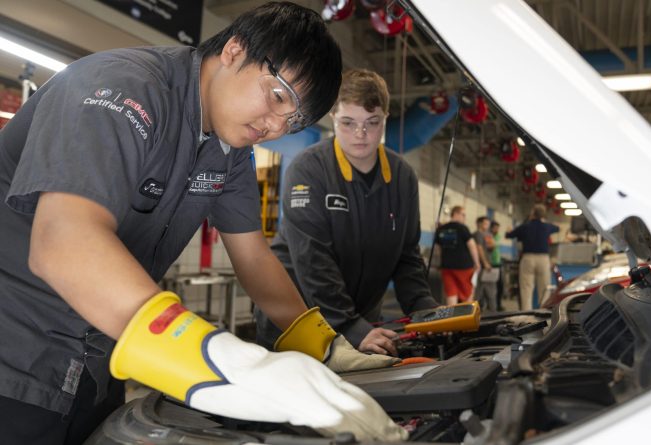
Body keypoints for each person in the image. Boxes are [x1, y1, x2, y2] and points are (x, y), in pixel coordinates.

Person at [0, 3, 406, 443]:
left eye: (293, 122)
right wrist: (223, 360)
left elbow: (252, 255)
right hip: (15, 352)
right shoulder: (120, 89)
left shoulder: (228, 149)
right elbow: (63, 243)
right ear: (234, 50)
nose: (274, 126)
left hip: (101, 356)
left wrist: (320, 343)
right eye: (277, 97)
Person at [254, 68, 440, 357]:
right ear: (333, 118)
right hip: (296, 318)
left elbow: (406, 256)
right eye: (348, 122)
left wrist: (426, 310)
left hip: (361, 320)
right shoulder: (309, 169)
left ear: (385, 119)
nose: (360, 134)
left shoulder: (403, 177)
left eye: (372, 122)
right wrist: (350, 326)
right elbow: (312, 258)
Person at [505, 204, 560, 310]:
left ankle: (526, 314)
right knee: (544, 289)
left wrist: (508, 230)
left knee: (526, 288)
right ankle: (543, 313)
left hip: (528, 258)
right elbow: (558, 228)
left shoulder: (525, 226)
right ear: (543, 215)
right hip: (543, 259)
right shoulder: (547, 226)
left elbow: (509, 235)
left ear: (532, 213)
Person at [434, 206, 480, 305]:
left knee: (451, 295)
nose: (464, 218)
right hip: (464, 268)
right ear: (456, 214)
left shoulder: (440, 229)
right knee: (467, 295)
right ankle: (466, 318)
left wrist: (441, 262)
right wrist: (477, 263)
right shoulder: (462, 228)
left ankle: (453, 319)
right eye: (463, 215)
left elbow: (438, 250)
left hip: (447, 268)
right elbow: (472, 245)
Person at [473, 216, 498, 311]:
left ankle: (493, 312)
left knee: (491, 292)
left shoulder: (488, 235)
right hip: (481, 267)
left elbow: (491, 247)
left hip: (488, 266)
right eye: (485, 223)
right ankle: (474, 313)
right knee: (477, 292)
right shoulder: (477, 234)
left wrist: (493, 245)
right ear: (479, 224)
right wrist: (485, 263)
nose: (487, 226)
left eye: (488, 224)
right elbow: (479, 248)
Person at [490, 221, 505, 311]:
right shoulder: (488, 236)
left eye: (498, 228)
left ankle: (498, 304)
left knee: (500, 286)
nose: (497, 230)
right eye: (495, 228)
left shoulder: (498, 236)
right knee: (490, 287)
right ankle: (489, 305)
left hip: (498, 264)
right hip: (490, 264)